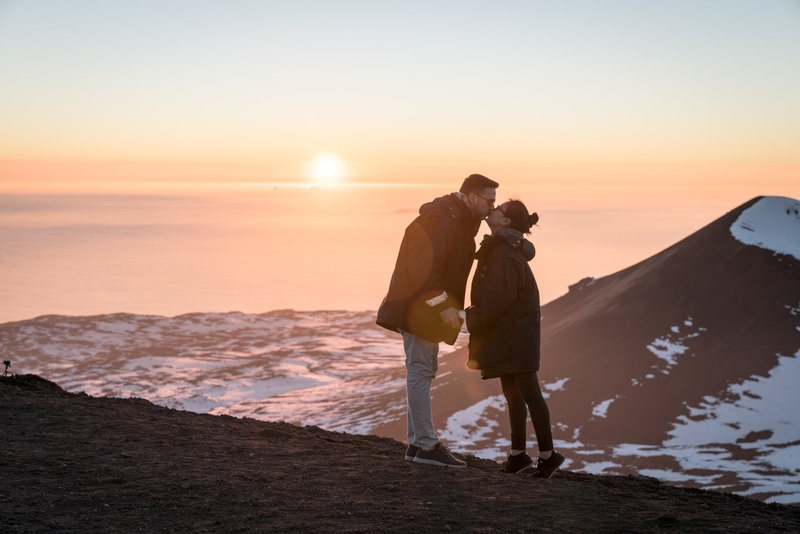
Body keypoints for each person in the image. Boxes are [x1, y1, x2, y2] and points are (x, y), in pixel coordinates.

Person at [377, 174, 499, 468]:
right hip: (418, 309)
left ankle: (417, 446)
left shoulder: (458, 219)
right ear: (471, 197)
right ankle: (427, 446)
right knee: (420, 371)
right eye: (489, 200)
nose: (492, 208)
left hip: (423, 309)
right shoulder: (442, 217)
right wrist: (442, 304)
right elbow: (423, 265)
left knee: (424, 370)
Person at [464, 199, 565, 478]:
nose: (492, 209)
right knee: (514, 395)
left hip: (514, 335)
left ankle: (548, 456)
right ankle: (519, 455)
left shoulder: (505, 254)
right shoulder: (503, 248)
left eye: (498, 209)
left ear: (506, 222)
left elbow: (497, 300)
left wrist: (467, 320)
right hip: (511, 333)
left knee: (529, 393)